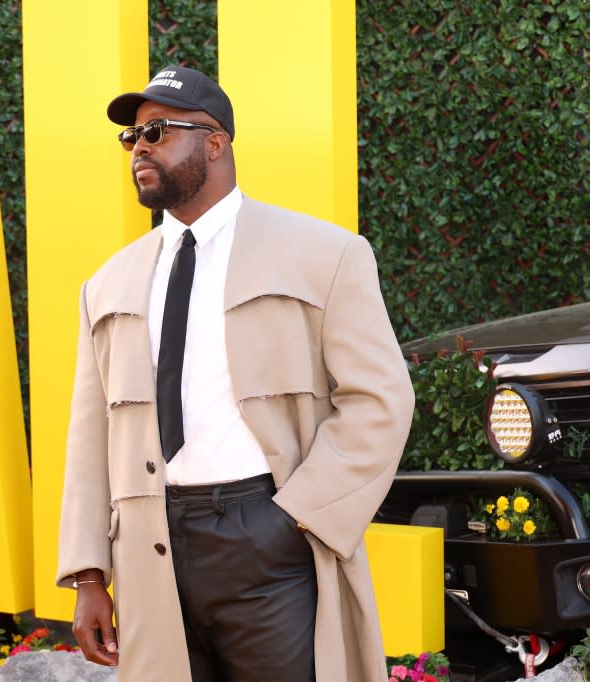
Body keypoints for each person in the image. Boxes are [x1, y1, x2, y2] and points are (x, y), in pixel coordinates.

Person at [56, 65, 415, 682]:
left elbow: (380, 400)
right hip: (148, 548)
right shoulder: (108, 283)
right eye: (132, 137)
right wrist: (89, 575)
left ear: (215, 142)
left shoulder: (325, 255)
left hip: (267, 539)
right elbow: (91, 436)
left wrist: (292, 519)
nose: (139, 147)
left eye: (159, 130)